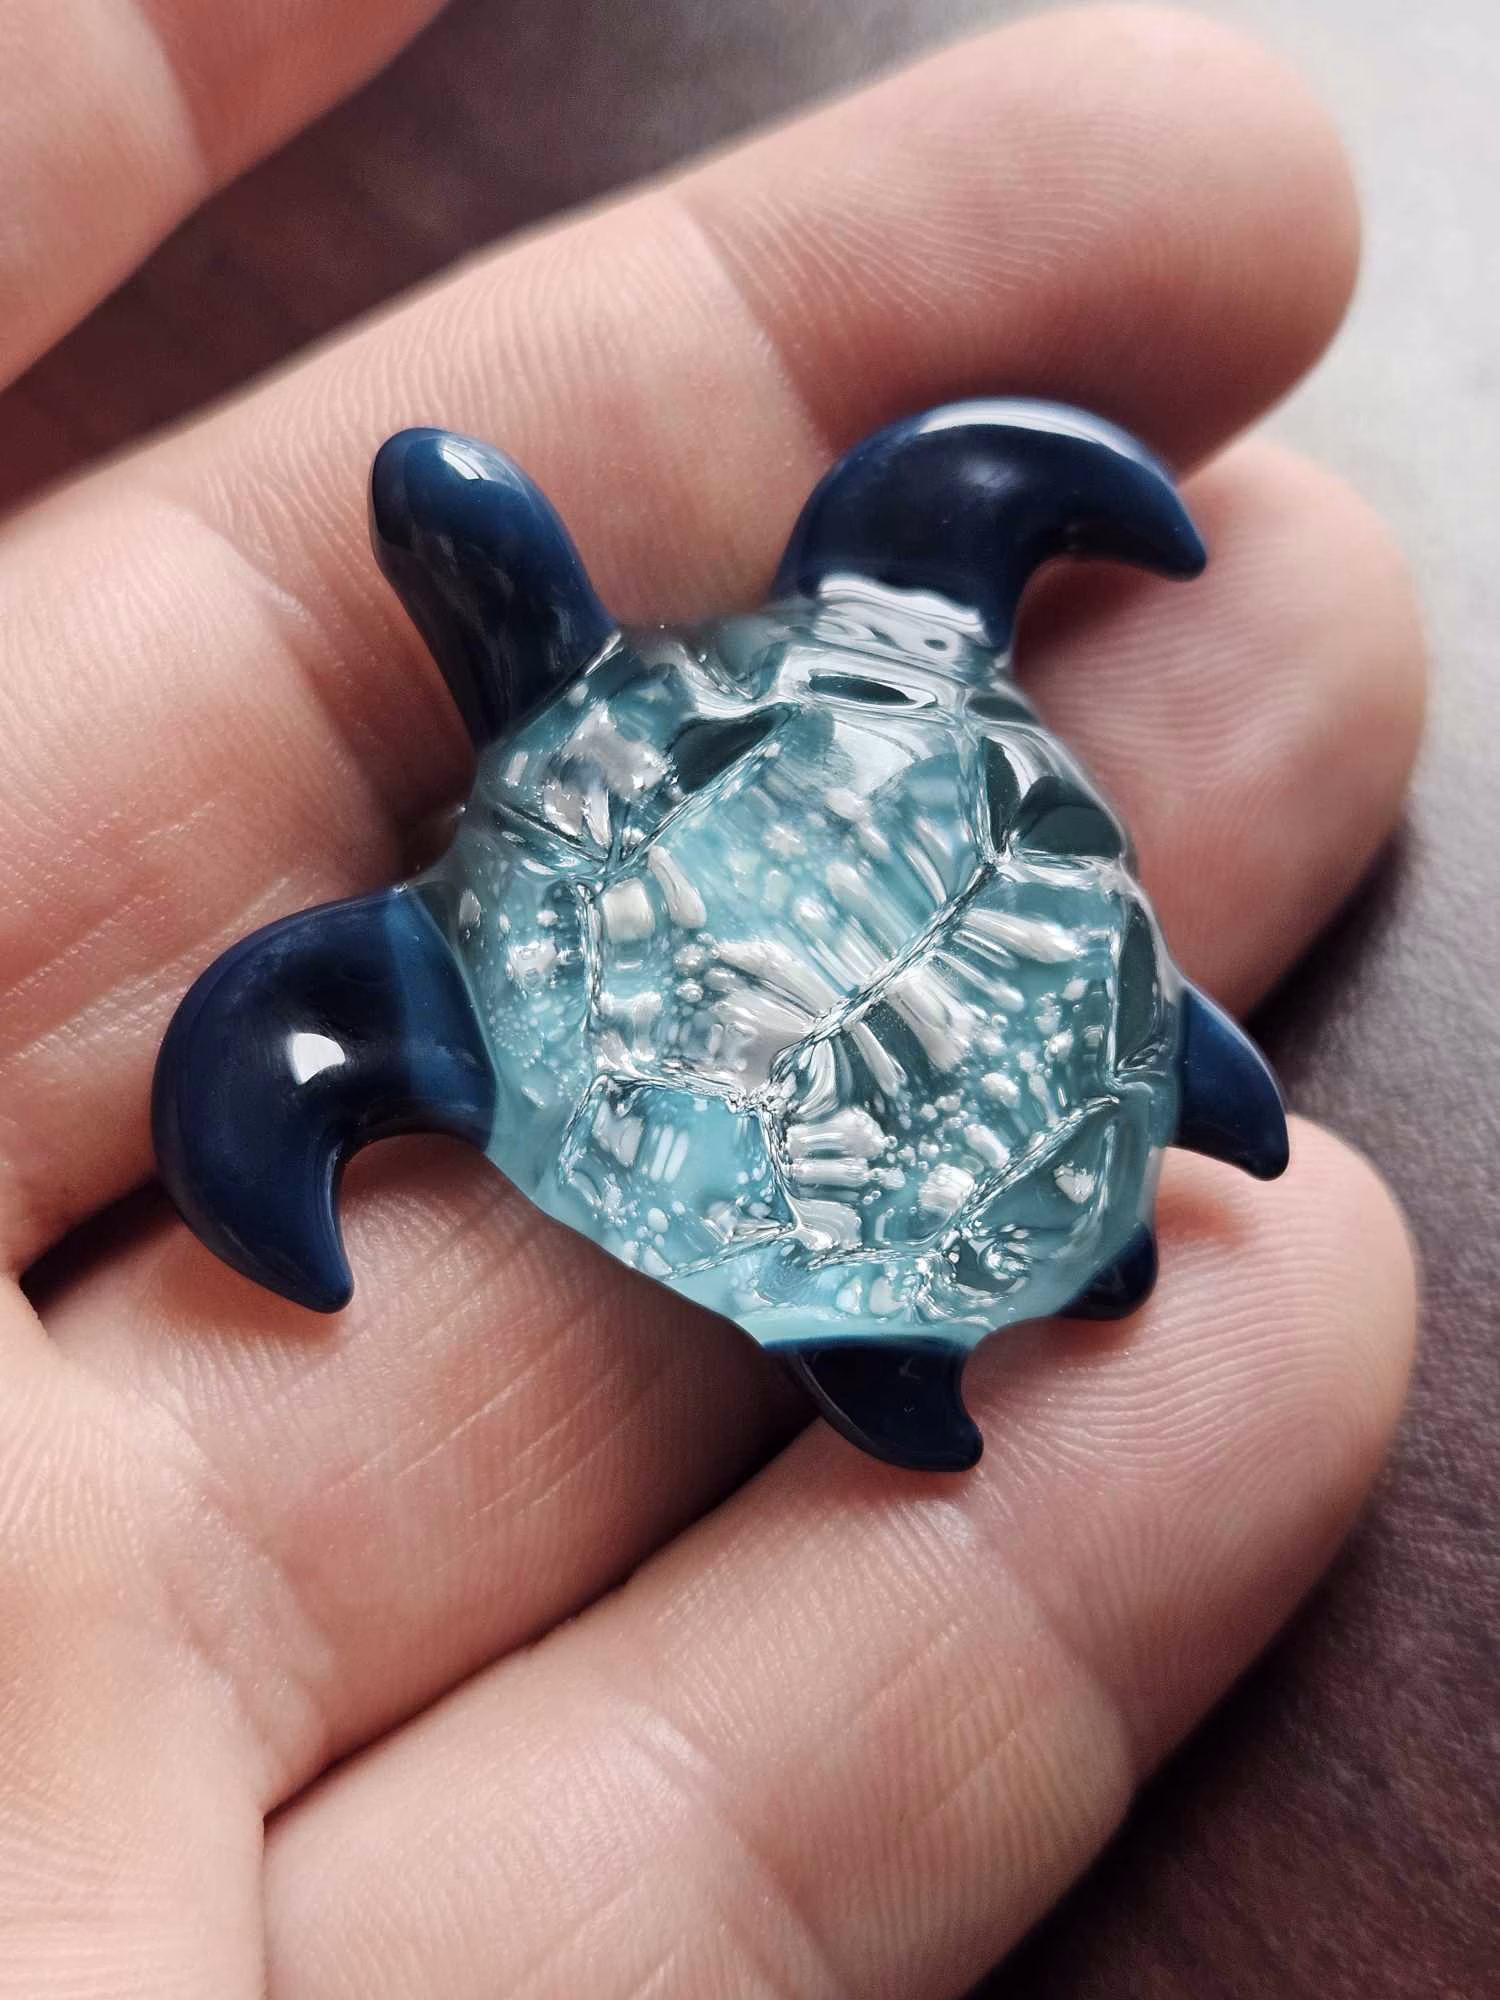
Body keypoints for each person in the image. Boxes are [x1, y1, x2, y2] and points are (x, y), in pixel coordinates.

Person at [0, 3, 1423, 1994]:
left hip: (844, 1224)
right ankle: (1095, 1162)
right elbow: (955, 509)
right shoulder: (854, 608)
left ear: (460, 620)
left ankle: (909, 1333)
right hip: (1060, 1046)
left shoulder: (426, 967)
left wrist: (266, 1172)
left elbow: (273, 1055)